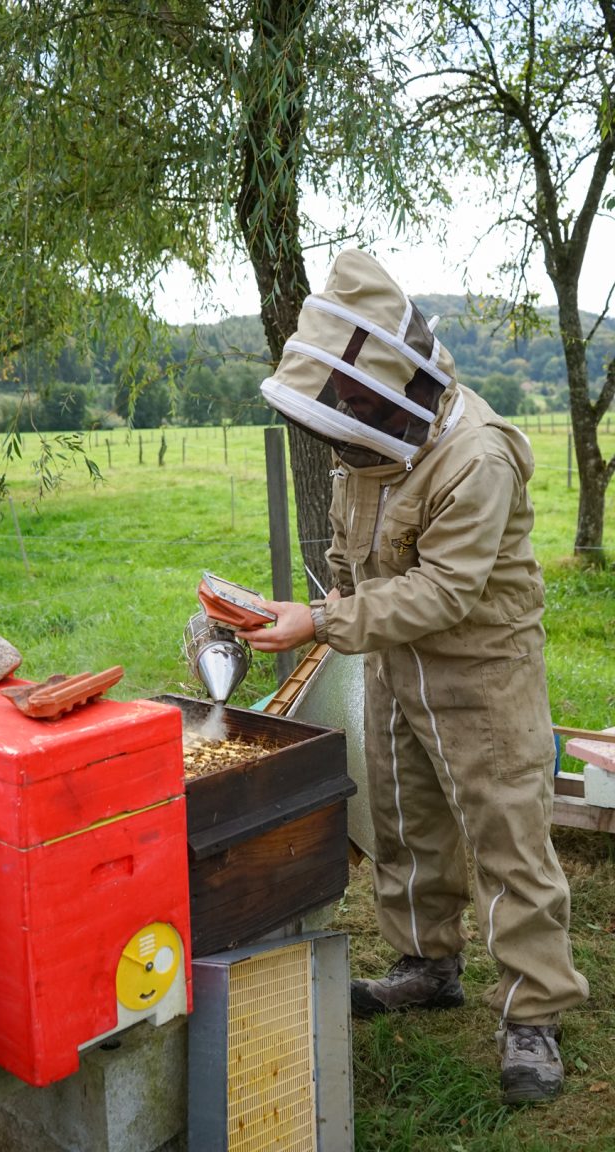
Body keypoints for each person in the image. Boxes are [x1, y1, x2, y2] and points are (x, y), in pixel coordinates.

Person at [237, 248, 588, 1105]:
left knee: (509, 833)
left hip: (484, 666)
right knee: (402, 816)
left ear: (403, 383)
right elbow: (349, 557)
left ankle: (534, 1014)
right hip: (397, 664)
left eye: (354, 401)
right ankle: (428, 964)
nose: (343, 416)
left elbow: (442, 592)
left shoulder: (478, 456)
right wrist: (318, 602)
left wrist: (317, 622)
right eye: (339, 403)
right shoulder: (363, 448)